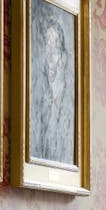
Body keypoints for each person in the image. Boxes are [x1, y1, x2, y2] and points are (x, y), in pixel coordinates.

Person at [30, 9, 75, 165]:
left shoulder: (71, 102)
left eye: (55, 47)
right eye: (47, 46)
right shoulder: (38, 100)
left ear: (63, 57)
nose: (50, 55)